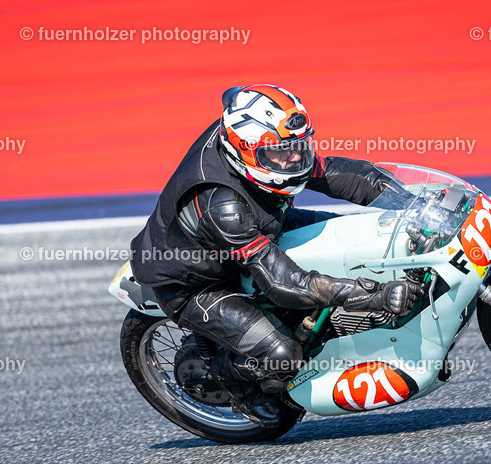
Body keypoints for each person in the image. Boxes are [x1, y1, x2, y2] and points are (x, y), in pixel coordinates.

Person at [129, 84, 421, 426]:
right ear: (246, 151)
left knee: (355, 240)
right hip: (195, 283)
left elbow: (336, 175)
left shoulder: (261, 144)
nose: (295, 158)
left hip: (258, 226)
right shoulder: (223, 205)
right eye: (282, 152)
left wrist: (409, 201)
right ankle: (232, 380)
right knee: (284, 355)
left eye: (299, 145)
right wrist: (374, 295)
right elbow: (286, 284)